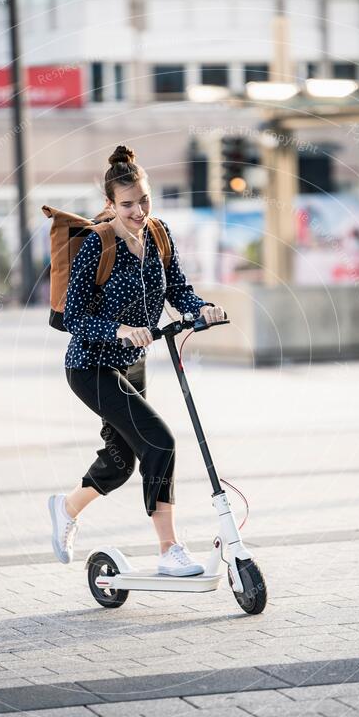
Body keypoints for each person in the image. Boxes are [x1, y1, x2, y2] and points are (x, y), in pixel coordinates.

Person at [48, 144, 225, 576]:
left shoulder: (159, 234)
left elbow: (177, 290)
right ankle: (170, 551)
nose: (138, 211)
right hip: (90, 366)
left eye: (143, 200)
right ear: (111, 204)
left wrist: (200, 308)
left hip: (131, 363)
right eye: (127, 204)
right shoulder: (97, 244)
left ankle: (65, 508)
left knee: (122, 460)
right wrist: (120, 330)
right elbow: (74, 317)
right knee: (160, 441)